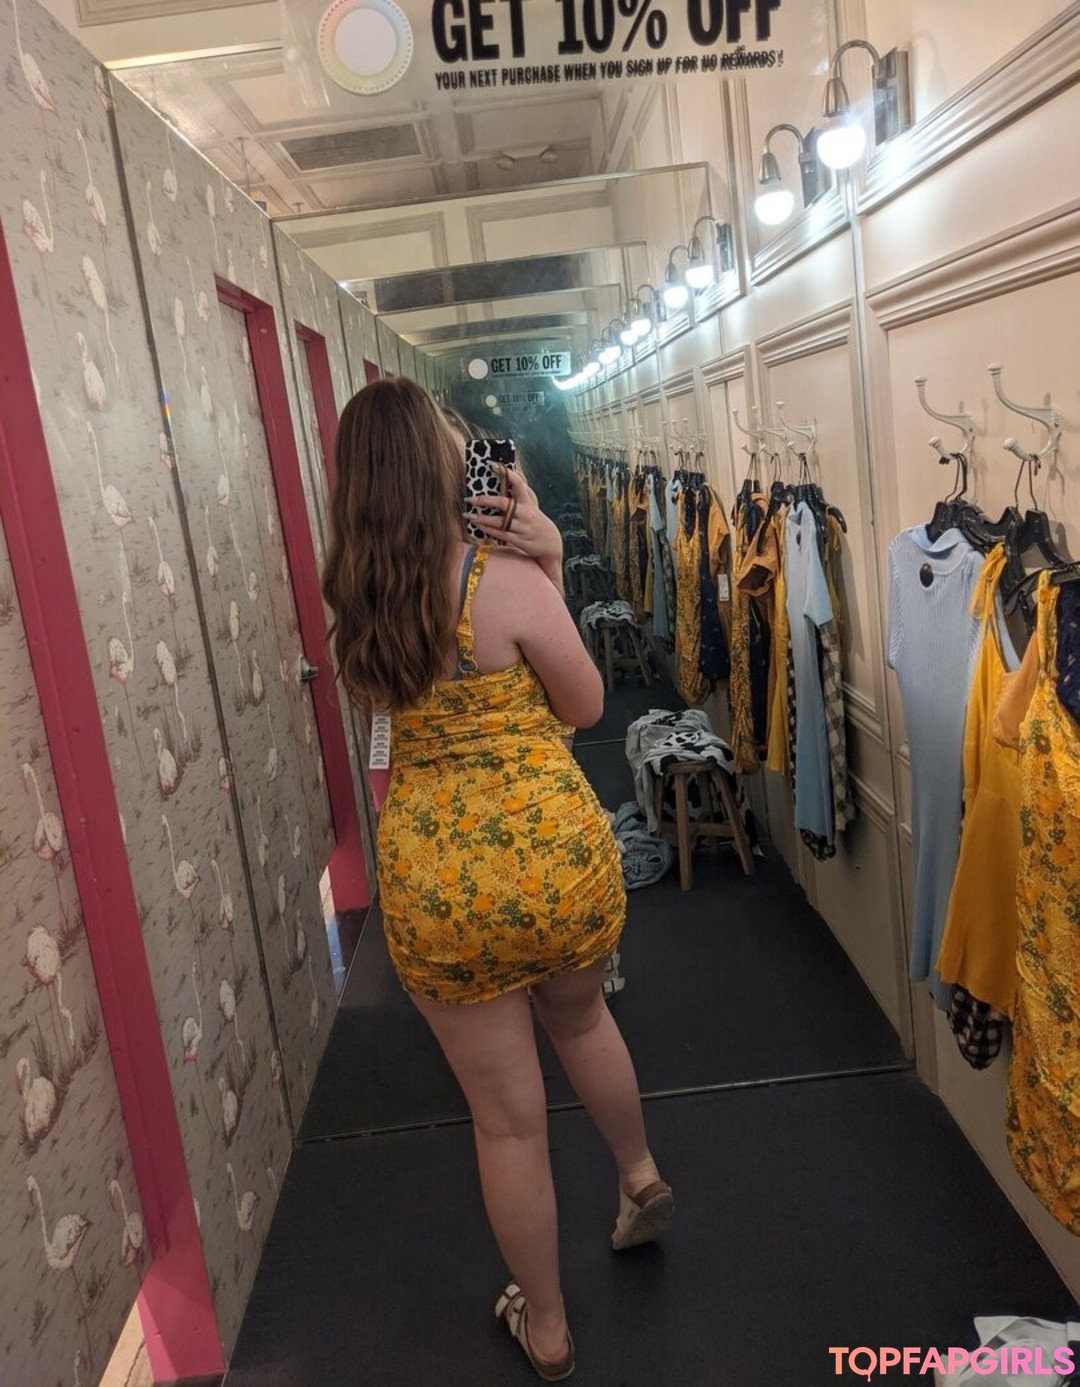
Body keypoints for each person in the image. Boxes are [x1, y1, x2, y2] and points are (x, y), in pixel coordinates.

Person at [322, 378, 673, 1381]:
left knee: (508, 1121)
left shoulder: (357, 605)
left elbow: (384, 722)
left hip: (440, 884)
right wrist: (547, 556)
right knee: (584, 1022)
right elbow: (586, 704)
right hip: (554, 861)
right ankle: (639, 1174)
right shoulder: (504, 580)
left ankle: (549, 1328)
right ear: (446, 464)